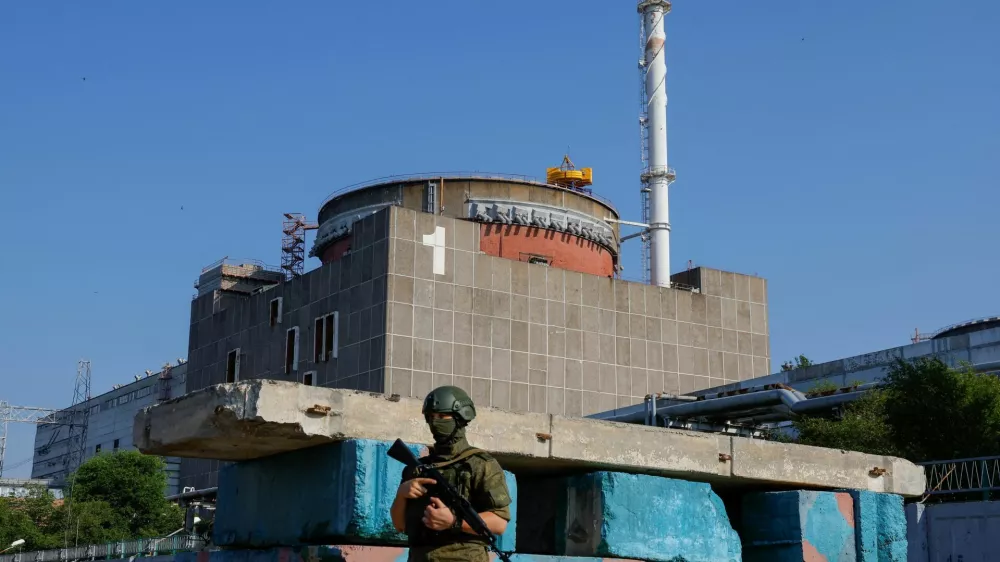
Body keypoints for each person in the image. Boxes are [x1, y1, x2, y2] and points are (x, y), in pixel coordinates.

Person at [390, 386, 512, 562]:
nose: (435, 422)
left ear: (460, 418)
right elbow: (400, 525)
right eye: (431, 417)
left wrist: (454, 521)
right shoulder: (418, 468)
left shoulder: (480, 464)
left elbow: (499, 523)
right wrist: (402, 495)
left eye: (442, 417)